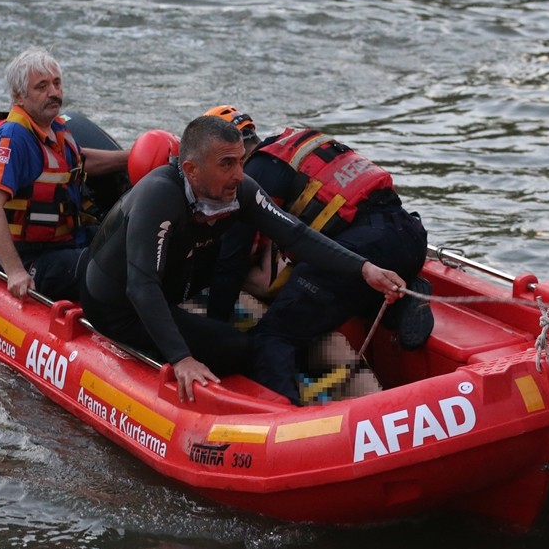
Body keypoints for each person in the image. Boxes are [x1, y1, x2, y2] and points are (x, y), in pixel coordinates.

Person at [79, 115, 408, 403]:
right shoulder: (159, 196)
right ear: (191, 169)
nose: (239, 174)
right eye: (227, 164)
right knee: (237, 348)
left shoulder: (239, 190)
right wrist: (181, 358)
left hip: (172, 286)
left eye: (240, 160)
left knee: (227, 262)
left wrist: (364, 268)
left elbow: (295, 234)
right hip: (119, 308)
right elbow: (141, 285)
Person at [203, 106, 433, 404]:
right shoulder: (294, 144)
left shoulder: (255, 173)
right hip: (410, 235)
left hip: (365, 247)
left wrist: (214, 328)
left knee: (272, 336)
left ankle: (286, 413)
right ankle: (395, 299)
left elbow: (232, 260)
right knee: (335, 288)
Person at [0, 47, 129, 302]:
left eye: (57, 83)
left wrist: (132, 158)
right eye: (42, 86)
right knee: (114, 269)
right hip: (32, 256)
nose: (54, 92)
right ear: (19, 96)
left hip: (67, 240)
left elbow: (80, 163)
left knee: (136, 244)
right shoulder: (12, 139)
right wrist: (15, 272)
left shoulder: (54, 128)